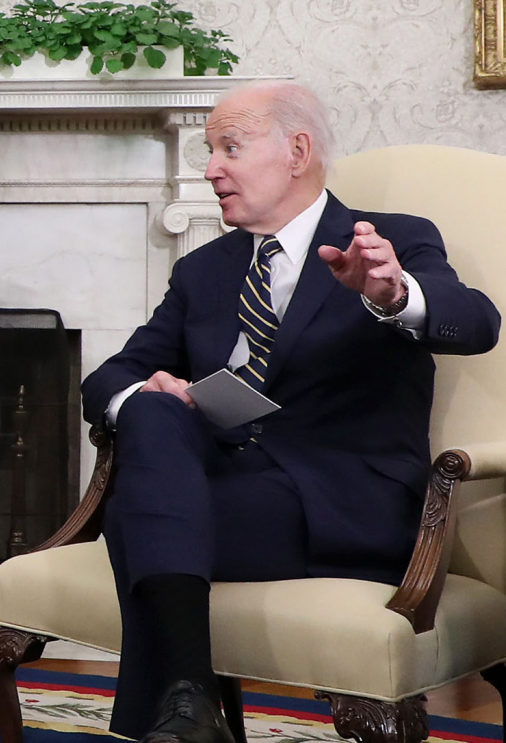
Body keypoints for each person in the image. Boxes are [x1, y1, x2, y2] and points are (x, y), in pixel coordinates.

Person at [81, 80, 500, 743]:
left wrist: (395, 297)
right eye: (209, 150)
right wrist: (153, 393)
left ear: (297, 150)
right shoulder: (205, 272)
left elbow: (477, 321)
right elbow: (109, 376)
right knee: (149, 411)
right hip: (230, 493)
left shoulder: (388, 241)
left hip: (346, 504)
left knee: (140, 519)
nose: (211, 167)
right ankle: (190, 702)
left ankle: (183, 709)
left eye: (230, 148)